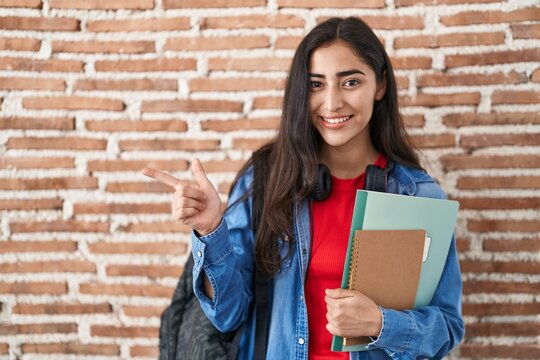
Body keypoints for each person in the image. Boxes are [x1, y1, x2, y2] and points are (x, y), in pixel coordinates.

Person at [142, 16, 464, 360]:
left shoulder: (417, 193)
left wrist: (380, 323)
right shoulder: (266, 179)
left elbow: (447, 328)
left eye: (351, 82)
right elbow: (227, 314)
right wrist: (210, 230)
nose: (331, 102)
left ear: (380, 85)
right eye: (315, 85)